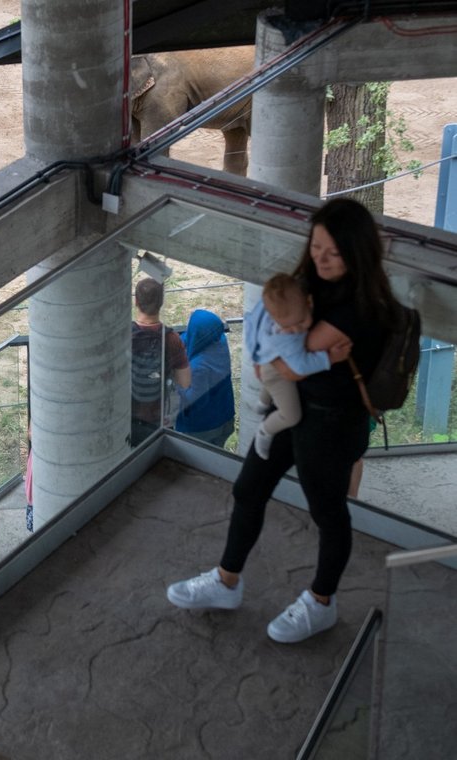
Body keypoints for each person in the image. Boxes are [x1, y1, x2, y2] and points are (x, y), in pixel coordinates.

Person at [166, 198, 393, 644]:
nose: (321, 259)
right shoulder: (309, 282)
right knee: (249, 487)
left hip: (331, 422)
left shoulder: (359, 309)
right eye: (317, 247)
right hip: (294, 410)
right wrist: (266, 355)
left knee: (328, 513)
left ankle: (320, 602)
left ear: (358, 252)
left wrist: (266, 357)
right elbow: (268, 333)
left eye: (334, 252)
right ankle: (226, 581)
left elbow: (287, 364)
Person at [245, 273, 332, 460]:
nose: (297, 330)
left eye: (301, 322)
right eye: (289, 327)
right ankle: (265, 430)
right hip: (276, 373)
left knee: (268, 382)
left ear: (309, 301)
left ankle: (262, 403)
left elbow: (253, 323)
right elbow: (300, 367)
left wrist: (257, 359)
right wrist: (329, 358)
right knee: (291, 416)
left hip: (267, 361)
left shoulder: (272, 309)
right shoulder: (286, 338)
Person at [130, 277, 191, 445]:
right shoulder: (171, 339)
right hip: (158, 418)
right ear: (161, 303)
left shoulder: (125, 335)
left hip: (128, 416)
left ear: (136, 301)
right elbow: (185, 382)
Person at [175, 309, 236, 448]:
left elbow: (193, 400)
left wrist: (176, 381)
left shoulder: (199, 367)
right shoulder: (220, 340)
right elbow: (192, 337)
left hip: (203, 429)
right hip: (224, 417)